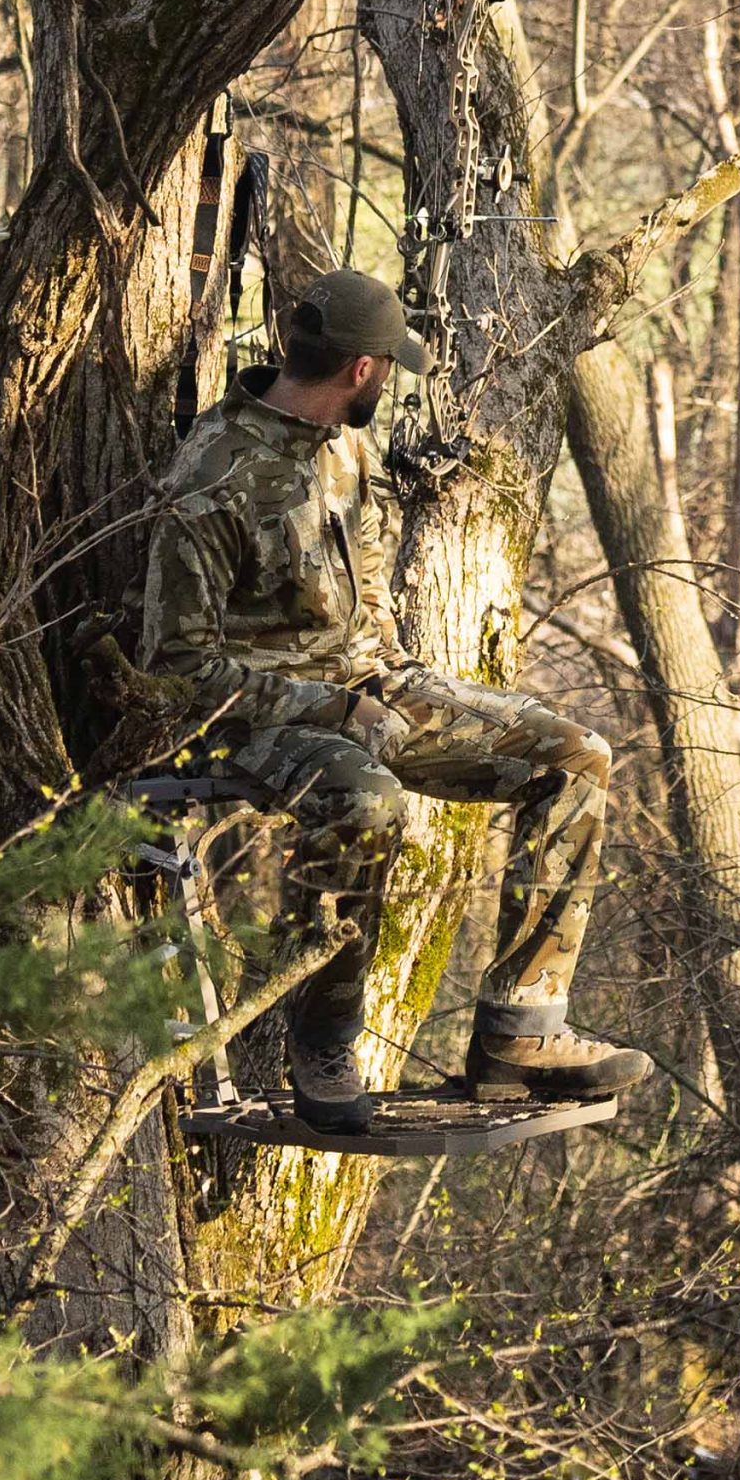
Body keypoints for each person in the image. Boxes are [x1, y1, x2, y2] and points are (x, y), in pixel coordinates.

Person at [138, 267, 653, 1135]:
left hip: (366, 685)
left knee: (574, 755)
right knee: (365, 798)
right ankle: (324, 1042)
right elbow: (176, 668)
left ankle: (520, 1034)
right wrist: (337, 714)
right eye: (390, 364)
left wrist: (394, 687)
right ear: (363, 371)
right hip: (249, 721)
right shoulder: (211, 476)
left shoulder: (345, 447)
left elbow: (367, 603)